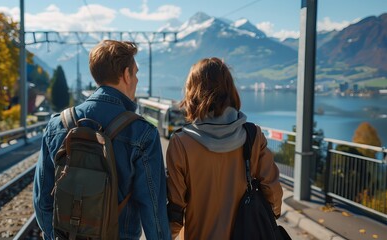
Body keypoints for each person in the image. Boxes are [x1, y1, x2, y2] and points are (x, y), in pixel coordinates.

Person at [33, 40, 171, 240]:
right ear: (126, 75)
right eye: (136, 73)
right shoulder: (142, 133)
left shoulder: (57, 126)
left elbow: (41, 199)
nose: (137, 80)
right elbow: (153, 208)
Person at [166, 57, 283, 239]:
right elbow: (272, 189)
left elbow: (175, 206)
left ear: (193, 92)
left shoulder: (181, 143)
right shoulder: (253, 136)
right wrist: (271, 214)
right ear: (230, 89)